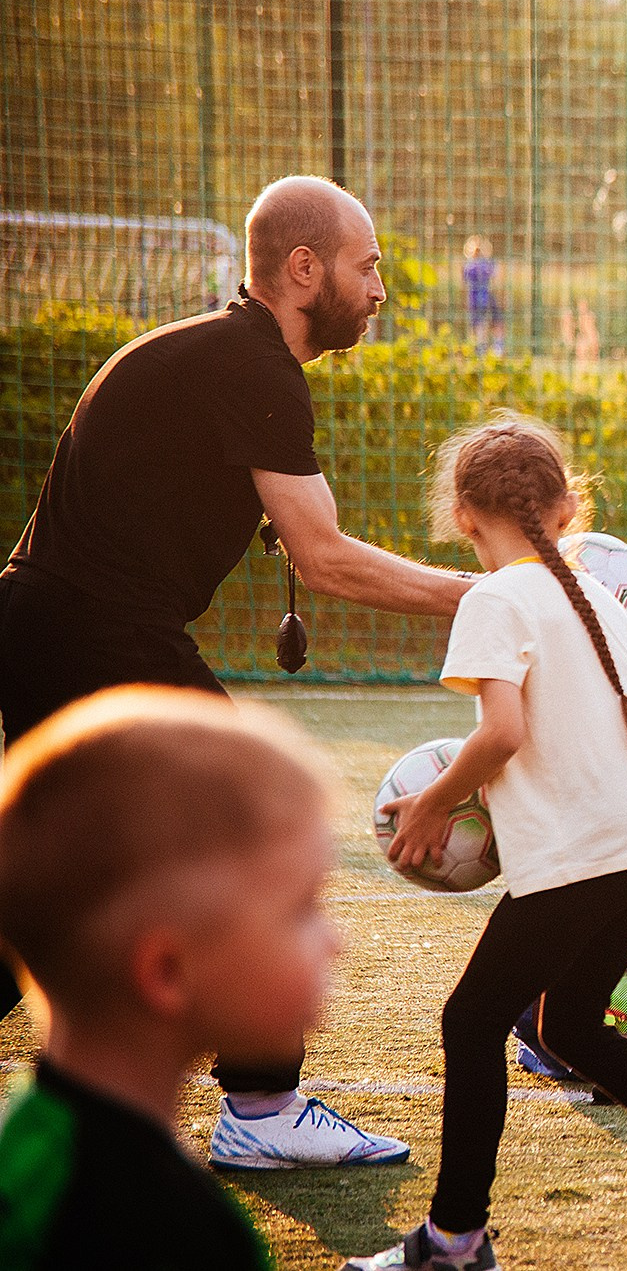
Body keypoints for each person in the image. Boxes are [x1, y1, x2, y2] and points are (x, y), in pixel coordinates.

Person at [0, 174, 472, 1169]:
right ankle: (263, 1109)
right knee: (247, 822)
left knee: (70, 869)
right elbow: (328, 556)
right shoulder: (247, 364)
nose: (379, 286)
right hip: (98, 633)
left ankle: (260, 1106)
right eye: (367, 263)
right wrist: (495, 597)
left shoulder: (222, 355)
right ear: (304, 269)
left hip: (60, 626)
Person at [345, 416, 627, 1271]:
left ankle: (453, 1242)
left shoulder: (495, 597)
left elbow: (503, 731)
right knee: (572, 1023)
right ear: (566, 505)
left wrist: (437, 802)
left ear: (465, 518)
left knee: (470, 1021)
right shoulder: (593, 595)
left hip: (589, 854)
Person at [0, 687, 344, 1269]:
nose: (334, 940)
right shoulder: (157, 1227)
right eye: (301, 909)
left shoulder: (37, 1142)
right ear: (167, 972)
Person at [461, 236, 503, 356]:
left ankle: (488, 350)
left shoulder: (469, 266)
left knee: (483, 325)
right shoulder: (484, 265)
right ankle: (492, 350)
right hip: (482, 297)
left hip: (481, 298)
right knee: (485, 325)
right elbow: (496, 279)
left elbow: (464, 285)